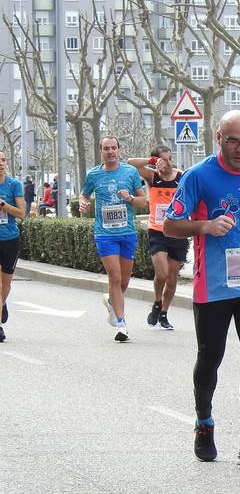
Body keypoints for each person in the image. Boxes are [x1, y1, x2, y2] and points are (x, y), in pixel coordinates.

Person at [163, 110, 240, 467]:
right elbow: (170, 225)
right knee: (210, 357)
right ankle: (204, 422)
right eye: (233, 140)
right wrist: (204, 226)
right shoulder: (199, 176)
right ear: (219, 137)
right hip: (213, 284)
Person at [79, 136, 146, 343]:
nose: (110, 151)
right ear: (101, 151)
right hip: (105, 233)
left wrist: (131, 199)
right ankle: (122, 324)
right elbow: (85, 195)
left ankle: (110, 300)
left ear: (119, 150)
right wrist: (84, 204)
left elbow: (143, 201)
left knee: (124, 280)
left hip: (127, 232)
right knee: (114, 277)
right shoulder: (94, 174)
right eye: (106, 148)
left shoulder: (130, 172)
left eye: (113, 148)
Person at [128, 145, 186, 331]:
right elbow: (131, 163)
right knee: (161, 273)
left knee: (172, 277)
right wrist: (152, 162)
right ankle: (157, 301)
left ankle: (164, 313)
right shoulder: (153, 177)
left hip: (178, 230)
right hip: (157, 231)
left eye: (169, 159)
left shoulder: (181, 176)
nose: (167, 163)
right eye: (162, 160)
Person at [0, 153, 27, 342]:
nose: (0, 164)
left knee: (5, 286)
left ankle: (2, 303)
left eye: (2, 160)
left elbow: (21, 214)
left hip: (10, 238)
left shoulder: (13, 185)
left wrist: (3, 205)